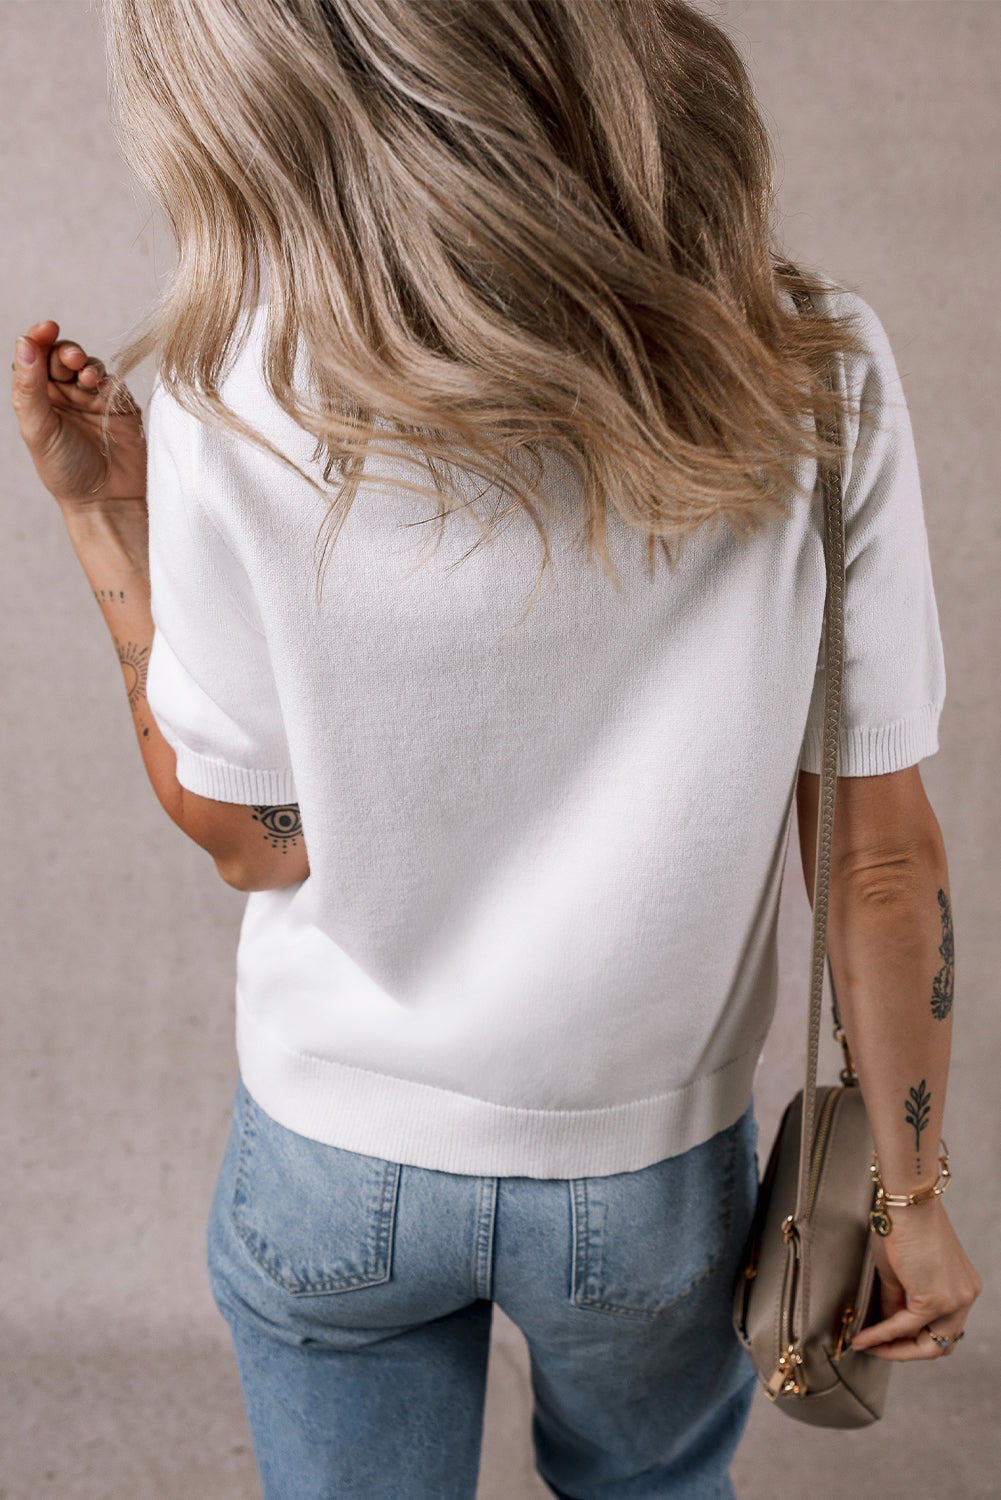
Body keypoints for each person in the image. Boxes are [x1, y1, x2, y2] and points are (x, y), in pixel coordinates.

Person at [11, 1, 980, 1496]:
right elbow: (878, 862)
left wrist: (102, 519)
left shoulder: (231, 388)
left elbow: (253, 841)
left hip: (333, 1153)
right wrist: (909, 1196)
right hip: (646, 1177)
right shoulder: (809, 362)